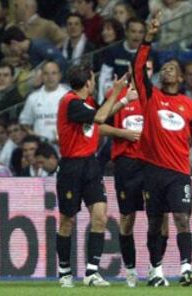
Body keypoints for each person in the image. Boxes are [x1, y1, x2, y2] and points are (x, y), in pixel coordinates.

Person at [133, 13, 192, 287]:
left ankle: (186, 268)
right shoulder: (150, 97)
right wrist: (148, 37)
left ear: (180, 77)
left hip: (180, 172)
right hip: (153, 169)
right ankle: (155, 270)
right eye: (164, 67)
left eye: (171, 68)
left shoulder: (190, 107)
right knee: (155, 223)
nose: (166, 70)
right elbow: (137, 68)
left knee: (182, 218)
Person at [55, 62, 127, 288]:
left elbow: (100, 116)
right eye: (93, 79)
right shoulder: (70, 102)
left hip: (90, 164)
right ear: (88, 82)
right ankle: (65, 271)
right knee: (67, 220)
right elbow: (98, 118)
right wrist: (117, 92)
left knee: (100, 215)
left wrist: (124, 100)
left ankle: (92, 272)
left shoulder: (85, 102)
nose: (94, 83)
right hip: (71, 167)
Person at [100, 61, 169, 287]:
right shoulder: (115, 93)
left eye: (149, 69)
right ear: (131, 71)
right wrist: (122, 133)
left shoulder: (158, 96)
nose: (144, 73)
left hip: (153, 163)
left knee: (159, 218)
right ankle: (130, 270)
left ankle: (155, 268)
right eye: (141, 69)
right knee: (127, 218)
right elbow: (98, 124)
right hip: (127, 164)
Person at [19, 61, 68, 143]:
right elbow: (24, 122)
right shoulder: (33, 98)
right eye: (46, 74)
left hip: (66, 145)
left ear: (59, 76)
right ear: (42, 76)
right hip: (40, 147)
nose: (50, 77)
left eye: (54, 73)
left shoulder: (69, 96)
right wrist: (33, 134)